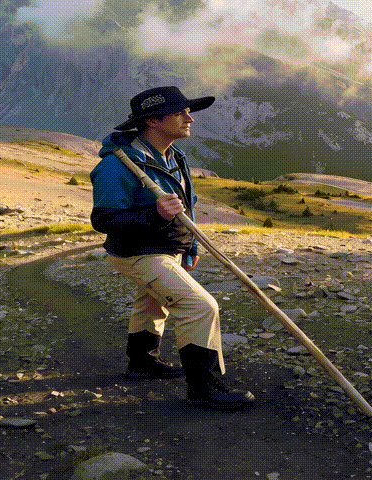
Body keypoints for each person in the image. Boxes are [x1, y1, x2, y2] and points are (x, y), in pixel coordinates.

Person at [90, 86, 255, 410]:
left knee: (152, 303)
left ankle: (142, 363)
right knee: (199, 306)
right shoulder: (117, 165)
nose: (189, 118)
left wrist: (189, 245)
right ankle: (204, 387)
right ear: (152, 120)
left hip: (166, 249)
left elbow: (185, 207)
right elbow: (104, 219)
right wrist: (154, 213)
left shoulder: (172, 156)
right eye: (180, 113)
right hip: (139, 252)